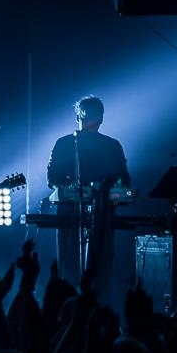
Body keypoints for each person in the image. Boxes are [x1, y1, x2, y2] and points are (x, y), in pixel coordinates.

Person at [47, 94, 130, 298]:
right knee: (70, 268)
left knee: (100, 270)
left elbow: (124, 181)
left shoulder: (112, 146)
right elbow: (52, 178)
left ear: (101, 118)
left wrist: (115, 190)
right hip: (70, 212)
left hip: (102, 215)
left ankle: (96, 305)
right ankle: (69, 304)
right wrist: (71, 187)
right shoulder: (66, 143)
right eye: (87, 115)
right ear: (79, 117)